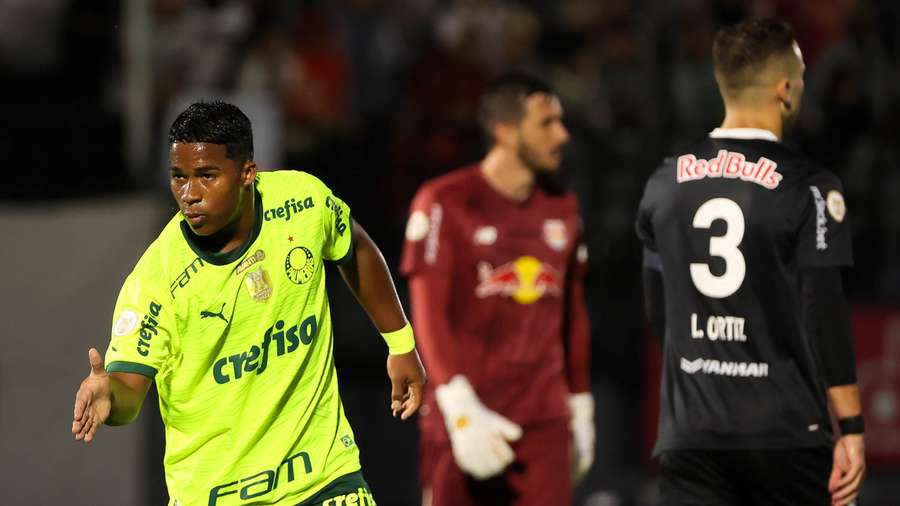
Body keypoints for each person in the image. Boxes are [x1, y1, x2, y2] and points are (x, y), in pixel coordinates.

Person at [71, 101, 426, 506]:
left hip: (325, 478)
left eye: (206, 176)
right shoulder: (156, 278)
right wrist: (109, 396)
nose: (189, 194)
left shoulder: (302, 203)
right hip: (216, 495)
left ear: (246, 174)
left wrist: (400, 344)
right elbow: (130, 389)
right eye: (178, 177)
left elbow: (354, 246)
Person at [636, 18, 865, 506]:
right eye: (801, 74)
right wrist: (851, 426)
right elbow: (822, 307)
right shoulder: (809, 186)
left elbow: (658, 309)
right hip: (783, 433)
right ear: (785, 89)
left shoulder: (663, 182)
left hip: (691, 432)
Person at [400, 73, 594, 505]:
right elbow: (426, 313)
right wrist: (458, 404)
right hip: (461, 420)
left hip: (542, 422)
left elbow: (573, 314)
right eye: (546, 123)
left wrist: (581, 405)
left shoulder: (564, 207)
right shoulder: (445, 201)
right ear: (504, 131)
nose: (562, 135)